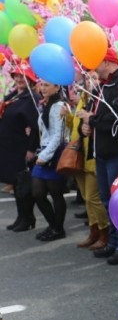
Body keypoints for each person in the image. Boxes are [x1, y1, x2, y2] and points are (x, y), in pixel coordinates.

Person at [78, 48, 118, 263]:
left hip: (116, 151)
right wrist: (87, 125)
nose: (92, 67)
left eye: (96, 61)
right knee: (107, 200)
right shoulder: (106, 85)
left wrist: (92, 121)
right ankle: (113, 241)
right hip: (103, 150)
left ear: (107, 62)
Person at [70, 71, 110, 249]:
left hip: (94, 154)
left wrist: (89, 122)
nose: (90, 81)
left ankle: (104, 231)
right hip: (81, 153)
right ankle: (93, 231)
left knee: (94, 197)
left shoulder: (101, 99)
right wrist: (78, 126)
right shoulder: (85, 99)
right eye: (87, 78)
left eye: (94, 77)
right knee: (87, 197)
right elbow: (79, 126)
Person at [1, 63, 40, 233]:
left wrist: (31, 149)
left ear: (30, 79)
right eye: (16, 75)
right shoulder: (13, 96)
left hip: (21, 148)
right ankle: (21, 216)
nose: (18, 79)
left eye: (22, 76)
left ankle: (27, 217)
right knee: (16, 185)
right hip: (9, 147)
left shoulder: (31, 98)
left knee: (23, 185)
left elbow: (35, 127)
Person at [31, 80, 68, 242]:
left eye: (47, 85)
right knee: (37, 193)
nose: (43, 88)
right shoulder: (47, 104)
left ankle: (57, 228)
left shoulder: (59, 105)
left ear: (57, 86)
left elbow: (58, 136)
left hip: (54, 153)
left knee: (55, 193)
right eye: (42, 85)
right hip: (45, 151)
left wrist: (44, 156)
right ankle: (53, 225)